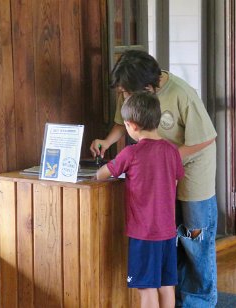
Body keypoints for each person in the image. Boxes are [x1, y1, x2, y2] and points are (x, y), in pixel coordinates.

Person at [90, 50, 218, 308]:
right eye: (122, 94)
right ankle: (180, 299)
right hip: (162, 165)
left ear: (148, 87)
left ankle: (200, 302)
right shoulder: (132, 93)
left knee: (195, 238)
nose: (124, 96)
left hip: (192, 164)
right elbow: (122, 121)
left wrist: (160, 162)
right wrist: (107, 141)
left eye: (126, 93)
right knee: (172, 238)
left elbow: (205, 137)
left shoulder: (182, 94)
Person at [96, 91, 184, 308]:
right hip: (167, 231)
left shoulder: (130, 153)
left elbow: (102, 174)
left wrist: (102, 166)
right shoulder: (172, 151)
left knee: (146, 288)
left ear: (132, 125)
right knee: (166, 285)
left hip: (144, 233)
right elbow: (174, 182)